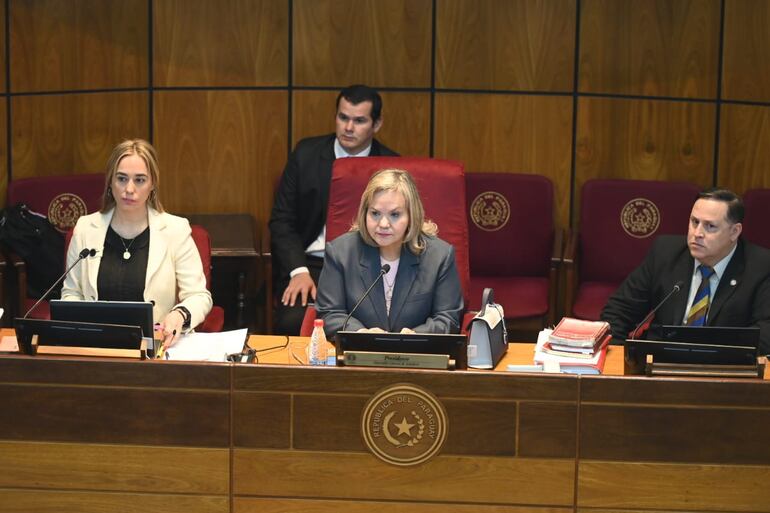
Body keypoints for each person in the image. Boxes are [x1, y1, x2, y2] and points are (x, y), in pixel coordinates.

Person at [269, 84, 398, 335]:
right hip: (312, 265)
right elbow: (281, 221)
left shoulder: (391, 166)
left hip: (370, 266)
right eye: (343, 117)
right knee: (293, 322)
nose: (348, 127)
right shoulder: (305, 154)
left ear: (376, 124)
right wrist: (298, 271)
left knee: (381, 324)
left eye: (359, 121)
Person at [62, 139, 212, 347]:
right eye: (121, 179)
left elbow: (198, 296)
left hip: (154, 347)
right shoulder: (86, 228)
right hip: (96, 347)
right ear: (110, 182)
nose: (129, 189)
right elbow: (71, 293)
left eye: (140, 180)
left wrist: (180, 314)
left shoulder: (175, 230)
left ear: (153, 184)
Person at [600, 188, 770, 354]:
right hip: (660, 359)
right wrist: (619, 355)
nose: (697, 233)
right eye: (695, 222)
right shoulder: (665, 252)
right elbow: (618, 310)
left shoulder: (761, 267)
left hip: (722, 365)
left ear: (734, 232)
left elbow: (765, 334)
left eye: (710, 226)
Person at [315, 169, 463, 336]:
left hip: (416, 350)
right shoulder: (340, 253)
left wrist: (415, 336)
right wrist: (360, 333)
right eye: (375, 213)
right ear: (364, 213)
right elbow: (329, 314)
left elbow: (448, 319)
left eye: (395, 214)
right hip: (359, 350)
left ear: (411, 215)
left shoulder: (439, 256)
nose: (383, 224)